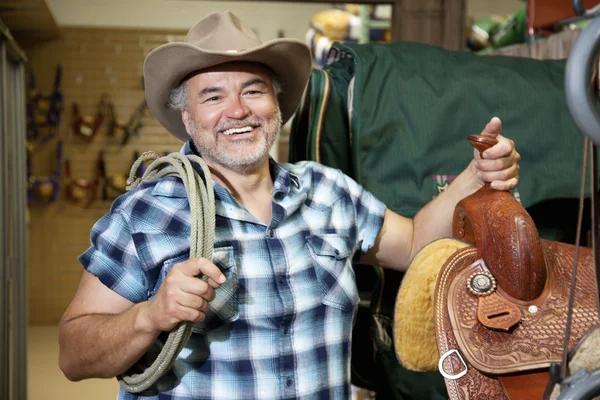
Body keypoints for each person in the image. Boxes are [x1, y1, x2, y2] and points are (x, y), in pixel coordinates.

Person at [57, 10, 520, 400]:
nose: (237, 110)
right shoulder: (148, 213)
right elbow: (73, 354)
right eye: (213, 95)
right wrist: (150, 315)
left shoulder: (328, 193)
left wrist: (475, 177)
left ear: (275, 103)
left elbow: (417, 241)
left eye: (253, 90)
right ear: (187, 116)